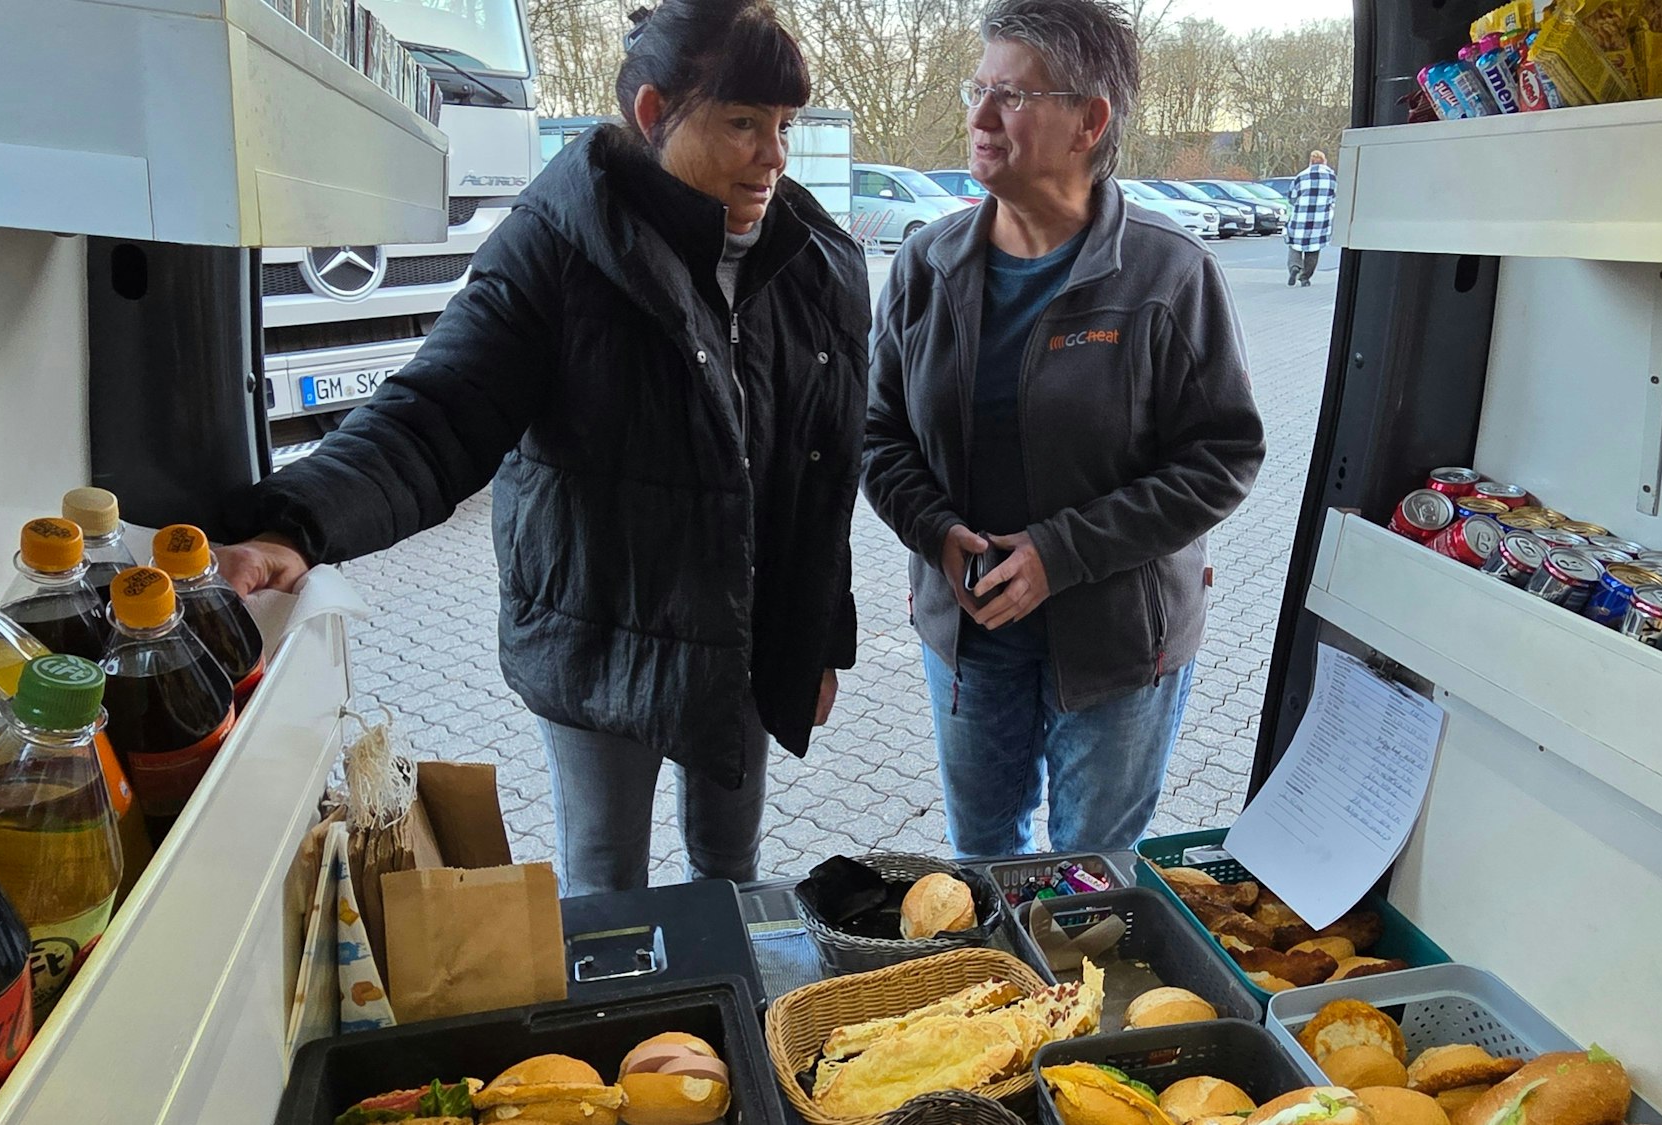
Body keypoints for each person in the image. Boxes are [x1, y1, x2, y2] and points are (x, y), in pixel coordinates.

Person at [216, 0, 870, 896]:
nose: (776, 157)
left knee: (730, 869)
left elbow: (823, 471)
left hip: (744, 636)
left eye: (785, 125)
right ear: (653, 115)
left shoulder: (814, 260)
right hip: (602, 633)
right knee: (608, 885)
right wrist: (295, 525)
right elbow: (436, 413)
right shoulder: (557, 245)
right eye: (744, 124)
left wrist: (818, 637)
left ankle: (715, 1030)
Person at [863, 0, 1265, 857]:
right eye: (978, 90)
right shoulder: (924, 267)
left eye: (1010, 96)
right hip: (972, 628)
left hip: (1117, 640)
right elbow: (877, 433)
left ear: (1090, 120)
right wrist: (935, 535)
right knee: (982, 856)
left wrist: (1060, 553)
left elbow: (1222, 458)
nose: (977, 119)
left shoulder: (1168, 273)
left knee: (1090, 873)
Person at [1286, 150, 1337, 287]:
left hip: (1300, 218)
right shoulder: (1332, 178)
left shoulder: (1301, 176)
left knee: (1294, 245)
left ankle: (1294, 267)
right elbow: (1335, 197)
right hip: (1320, 221)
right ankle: (1305, 277)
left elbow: (1292, 197)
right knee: (1313, 249)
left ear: (1310, 161)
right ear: (1324, 161)